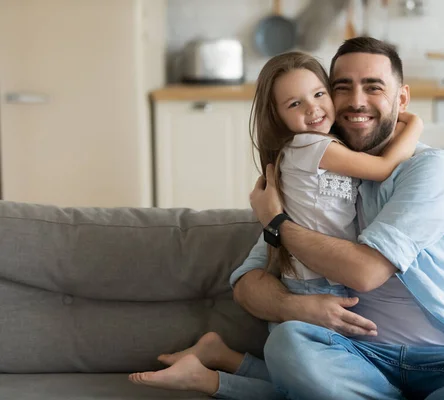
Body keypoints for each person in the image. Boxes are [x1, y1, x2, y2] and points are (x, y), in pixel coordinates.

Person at [230, 37, 444, 399]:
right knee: (287, 343)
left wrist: (277, 223)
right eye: (342, 87)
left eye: (373, 87)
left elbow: (365, 272)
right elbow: (246, 283)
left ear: (401, 99)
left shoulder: (432, 170)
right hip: (359, 357)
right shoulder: (316, 187)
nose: (356, 101)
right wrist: (295, 305)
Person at [129, 50, 423, 398]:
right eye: (295, 104)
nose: (313, 109)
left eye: (318, 95)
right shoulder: (311, 147)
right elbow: (382, 168)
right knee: (316, 384)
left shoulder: (324, 147)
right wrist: (413, 122)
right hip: (313, 288)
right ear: (278, 116)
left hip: (319, 281)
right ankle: (208, 378)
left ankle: (217, 358)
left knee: (317, 380)